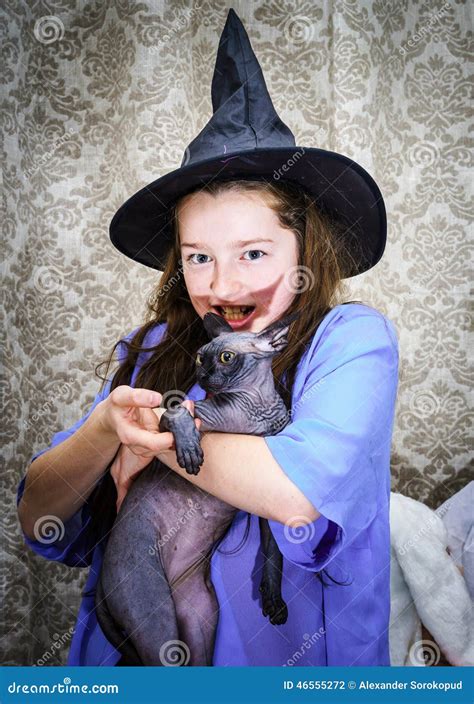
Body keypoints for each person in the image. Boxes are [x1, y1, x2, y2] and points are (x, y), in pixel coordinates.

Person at [16, 9, 399, 667]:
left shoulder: (352, 340)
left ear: (307, 248)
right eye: (198, 257)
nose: (221, 283)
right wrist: (106, 427)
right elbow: (39, 521)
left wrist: (158, 437)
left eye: (252, 253)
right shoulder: (161, 344)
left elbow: (293, 492)